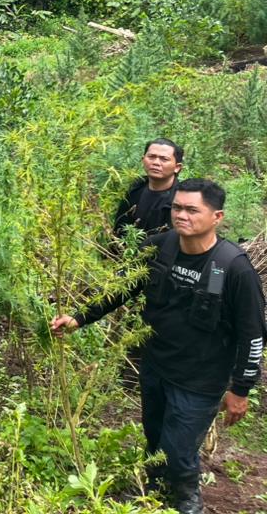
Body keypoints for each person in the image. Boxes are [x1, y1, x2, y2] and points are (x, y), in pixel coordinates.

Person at [52, 179, 264, 514]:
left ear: (217, 216)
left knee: (178, 448)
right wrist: (79, 318)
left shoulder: (233, 268)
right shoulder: (159, 246)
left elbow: (252, 335)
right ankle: (152, 489)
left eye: (192, 210)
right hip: (155, 364)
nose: (181, 215)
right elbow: (121, 289)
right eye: (177, 208)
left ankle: (187, 498)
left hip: (201, 378)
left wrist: (241, 389)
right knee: (154, 436)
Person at [114, 138, 184, 241]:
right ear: (143, 159)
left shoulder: (181, 198)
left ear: (177, 167)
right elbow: (119, 227)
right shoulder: (135, 187)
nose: (156, 162)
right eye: (151, 157)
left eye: (164, 159)